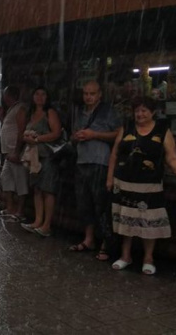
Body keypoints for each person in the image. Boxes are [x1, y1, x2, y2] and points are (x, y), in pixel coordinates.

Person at [106, 96, 176, 275]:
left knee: (149, 221)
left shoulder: (162, 131)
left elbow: (172, 158)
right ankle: (125, 255)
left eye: (144, 111)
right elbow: (114, 155)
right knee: (126, 219)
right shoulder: (126, 128)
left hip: (149, 185)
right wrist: (109, 178)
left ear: (153, 112)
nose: (140, 114)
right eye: (137, 111)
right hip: (124, 182)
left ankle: (148, 258)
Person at [68, 81, 121, 261]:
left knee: (101, 205)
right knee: (85, 204)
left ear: (100, 95)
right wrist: (76, 137)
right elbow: (73, 135)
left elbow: (119, 134)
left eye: (92, 93)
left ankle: (107, 243)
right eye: (86, 93)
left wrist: (95, 135)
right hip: (82, 161)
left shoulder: (108, 112)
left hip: (100, 162)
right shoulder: (81, 113)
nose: (88, 97)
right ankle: (89, 239)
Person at [20, 86, 63, 237]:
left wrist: (38, 139)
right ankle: (38, 220)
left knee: (47, 189)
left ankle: (47, 225)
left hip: (47, 156)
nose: (40, 97)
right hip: (34, 157)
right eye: (37, 94)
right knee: (37, 189)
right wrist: (27, 138)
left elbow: (56, 133)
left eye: (43, 94)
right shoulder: (31, 114)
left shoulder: (49, 113)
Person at [0, 85, 30, 220]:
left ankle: (20, 211)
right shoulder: (12, 109)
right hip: (8, 153)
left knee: (20, 182)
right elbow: (7, 127)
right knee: (6, 179)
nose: (4, 98)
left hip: (15, 153)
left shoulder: (20, 108)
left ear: (9, 96)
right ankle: (10, 207)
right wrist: (1, 117)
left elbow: (21, 130)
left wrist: (17, 151)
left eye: (5, 95)